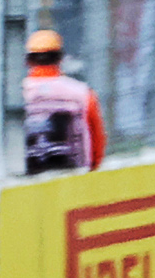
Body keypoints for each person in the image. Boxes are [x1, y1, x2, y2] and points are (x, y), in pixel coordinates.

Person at [22, 27, 105, 175]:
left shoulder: (18, 95)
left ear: (28, 61)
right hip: (74, 174)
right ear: (60, 58)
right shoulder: (83, 93)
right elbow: (96, 139)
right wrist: (92, 167)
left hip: (28, 174)